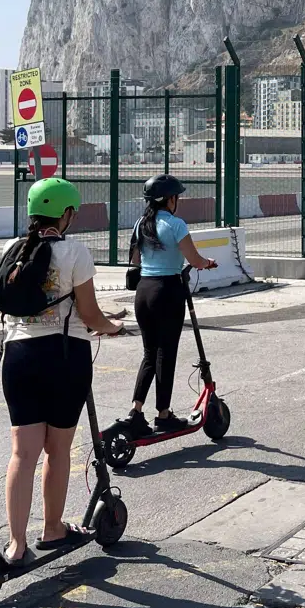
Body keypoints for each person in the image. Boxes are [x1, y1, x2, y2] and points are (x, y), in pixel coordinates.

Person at [0, 178, 124, 564]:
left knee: (22, 453)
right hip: (64, 356)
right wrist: (112, 326)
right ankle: (52, 528)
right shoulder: (75, 252)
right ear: (66, 214)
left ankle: (16, 544)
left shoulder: (12, 248)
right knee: (58, 449)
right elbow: (88, 314)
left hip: (17, 355)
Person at [124, 174, 218, 435]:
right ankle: (163, 414)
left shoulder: (140, 223)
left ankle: (136, 410)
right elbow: (195, 259)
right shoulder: (176, 224)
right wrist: (208, 263)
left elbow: (135, 260)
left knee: (149, 354)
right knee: (166, 354)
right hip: (167, 291)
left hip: (143, 292)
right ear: (170, 199)